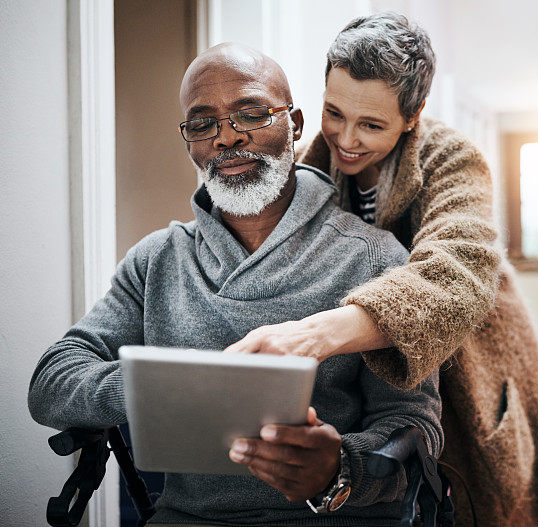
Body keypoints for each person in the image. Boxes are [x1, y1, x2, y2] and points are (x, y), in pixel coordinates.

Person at [28, 43, 443, 527]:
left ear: (296, 126)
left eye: (251, 113)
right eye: (202, 123)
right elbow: (52, 382)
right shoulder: (157, 259)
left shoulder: (374, 256)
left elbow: (417, 427)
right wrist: (170, 387)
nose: (225, 138)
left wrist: (340, 469)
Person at [224, 13, 538, 526]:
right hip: (379, 396)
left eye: (371, 125)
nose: (346, 138)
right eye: (333, 112)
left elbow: (458, 272)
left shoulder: (453, 160)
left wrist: (315, 335)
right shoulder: (309, 167)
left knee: (479, 506)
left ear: (413, 116)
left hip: (468, 369)